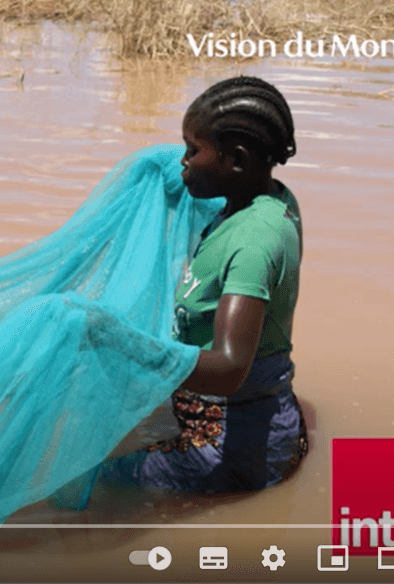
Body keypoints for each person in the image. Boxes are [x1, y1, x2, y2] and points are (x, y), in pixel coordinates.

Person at [107, 76, 309, 492]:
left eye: (192, 150)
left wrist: (124, 345)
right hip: (241, 419)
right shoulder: (262, 197)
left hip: (230, 450)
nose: (183, 161)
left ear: (236, 160)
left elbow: (230, 369)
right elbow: (193, 172)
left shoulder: (255, 242)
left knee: (92, 484)